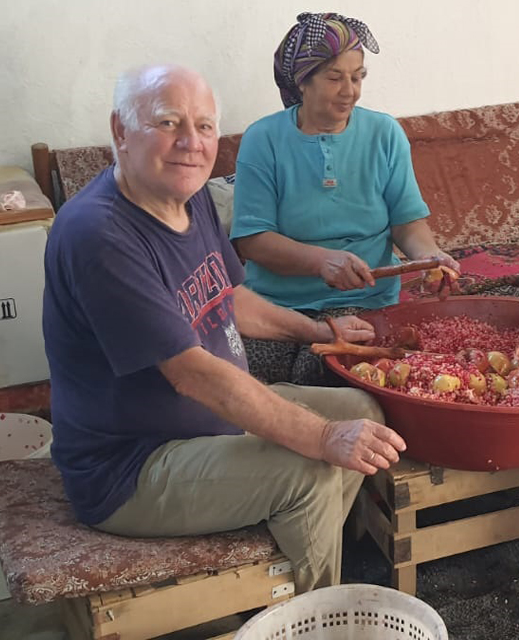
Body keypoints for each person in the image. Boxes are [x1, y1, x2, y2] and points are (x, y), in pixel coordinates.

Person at [43, 64, 406, 594]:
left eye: (205, 126)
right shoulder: (99, 235)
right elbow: (193, 374)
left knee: (362, 410)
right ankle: (317, 608)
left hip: (209, 426)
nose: (191, 143)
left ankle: (293, 554)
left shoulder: (189, 196)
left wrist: (318, 331)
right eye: (168, 123)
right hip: (135, 465)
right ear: (121, 130)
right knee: (313, 467)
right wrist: (324, 438)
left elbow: (229, 299)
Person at [231, 12, 459, 384]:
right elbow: (252, 240)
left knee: (324, 374)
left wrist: (429, 258)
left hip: (363, 300)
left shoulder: (384, 133)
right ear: (302, 80)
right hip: (275, 304)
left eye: (358, 76)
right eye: (335, 77)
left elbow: (406, 222)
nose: (350, 91)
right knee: (245, 378)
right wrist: (322, 262)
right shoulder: (263, 139)